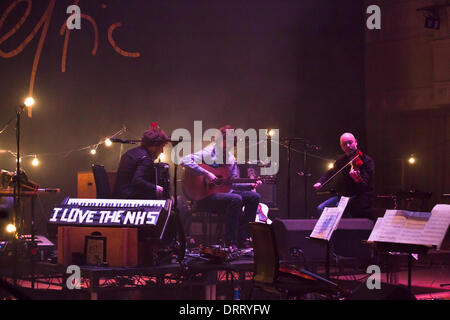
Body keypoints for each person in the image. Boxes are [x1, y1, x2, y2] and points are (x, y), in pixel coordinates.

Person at [180, 125, 261, 248]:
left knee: (254, 197)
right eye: (226, 143)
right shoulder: (208, 152)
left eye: (230, 144)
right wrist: (207, 174)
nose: (227, 147)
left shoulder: (230, 159)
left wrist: (250, 185)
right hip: (204, 196)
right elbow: (184, 160)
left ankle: (242, 237)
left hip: (223, 195)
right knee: (236, 199)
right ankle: (230, 242)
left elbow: (232, 184)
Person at [313, 132, 374, 219]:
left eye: (350, 142)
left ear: (355, 142)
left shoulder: (366, 160)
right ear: (341, 147)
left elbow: (364, 186)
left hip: (359, 196)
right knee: (321, 208)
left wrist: (357, 179)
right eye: (344, 144)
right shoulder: (341, 159)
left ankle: (343, 230)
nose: (348, 146)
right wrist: (320, 182)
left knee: (339, 208)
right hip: (344, 195)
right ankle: (331, 231)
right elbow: (331, 172)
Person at [113, 123, 169, 199]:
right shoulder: (145, 158)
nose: (162, 151)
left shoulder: (130, 153)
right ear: (154, 146)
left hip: (118, 197)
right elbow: (137, 181)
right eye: (162, 147)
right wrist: (156, 188)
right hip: (130, 200)